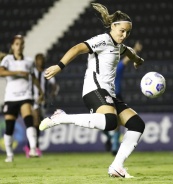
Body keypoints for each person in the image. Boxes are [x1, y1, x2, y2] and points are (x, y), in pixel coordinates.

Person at [39, 3, 145, 178]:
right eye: (122, 31)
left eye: (128, 32)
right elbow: (77, 48)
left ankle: (116, 167)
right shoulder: (102, 40)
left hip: (108, 93)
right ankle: (62, 117)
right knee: (110, 122)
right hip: (94, 89)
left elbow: (129, 51)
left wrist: (137, 59)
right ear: (113, 26)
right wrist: (59, 66)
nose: (124, 35)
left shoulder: (119, 46)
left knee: (137, 125)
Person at [0, 35, 44, 162]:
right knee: (9, 127)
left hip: (25, 96)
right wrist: (18, 72)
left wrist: (40, 91)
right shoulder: (7, 60)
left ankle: (33, 149)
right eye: (17, 44)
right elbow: (1, 72)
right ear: (13, 46)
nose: (19, 46)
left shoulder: (29, 61)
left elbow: (33, 77)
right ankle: (9, 154)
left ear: (23, 46)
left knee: (29, 121)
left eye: (21, 44)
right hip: (10, 97)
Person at [105, 41, 143, 156]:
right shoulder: (102, 70)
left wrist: (135, 50)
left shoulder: (117, 68)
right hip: (103, 96)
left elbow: (126, 59)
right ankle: (110, 138)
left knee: (115, 122)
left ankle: (114, 146)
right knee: (104, 122)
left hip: (115, 96)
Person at [23, 53, 59, 157]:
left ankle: (30, 146)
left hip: (43, 101)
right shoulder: (32, 72)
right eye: (39, 59)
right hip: (33, 100)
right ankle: (33, 148)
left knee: (37, 124)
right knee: (35, 121)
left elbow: (54, 85)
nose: (41, 62)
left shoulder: (46, 72)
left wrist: (51, 94)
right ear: (36, 61)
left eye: (42, 59)